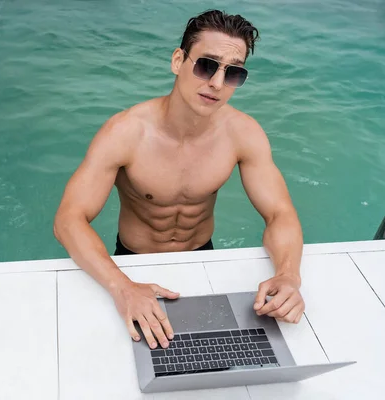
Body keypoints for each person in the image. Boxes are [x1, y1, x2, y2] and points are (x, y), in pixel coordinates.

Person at [53, 9, 305, 351]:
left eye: (233, 73)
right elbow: (69, 219)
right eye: (206, 65)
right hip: (133, 263)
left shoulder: (243, 133)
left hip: (203, 255)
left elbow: (280, 213)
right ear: (177, 61)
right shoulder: (126, 132)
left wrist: (288, 275)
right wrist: (123, 286)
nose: (216, 83)